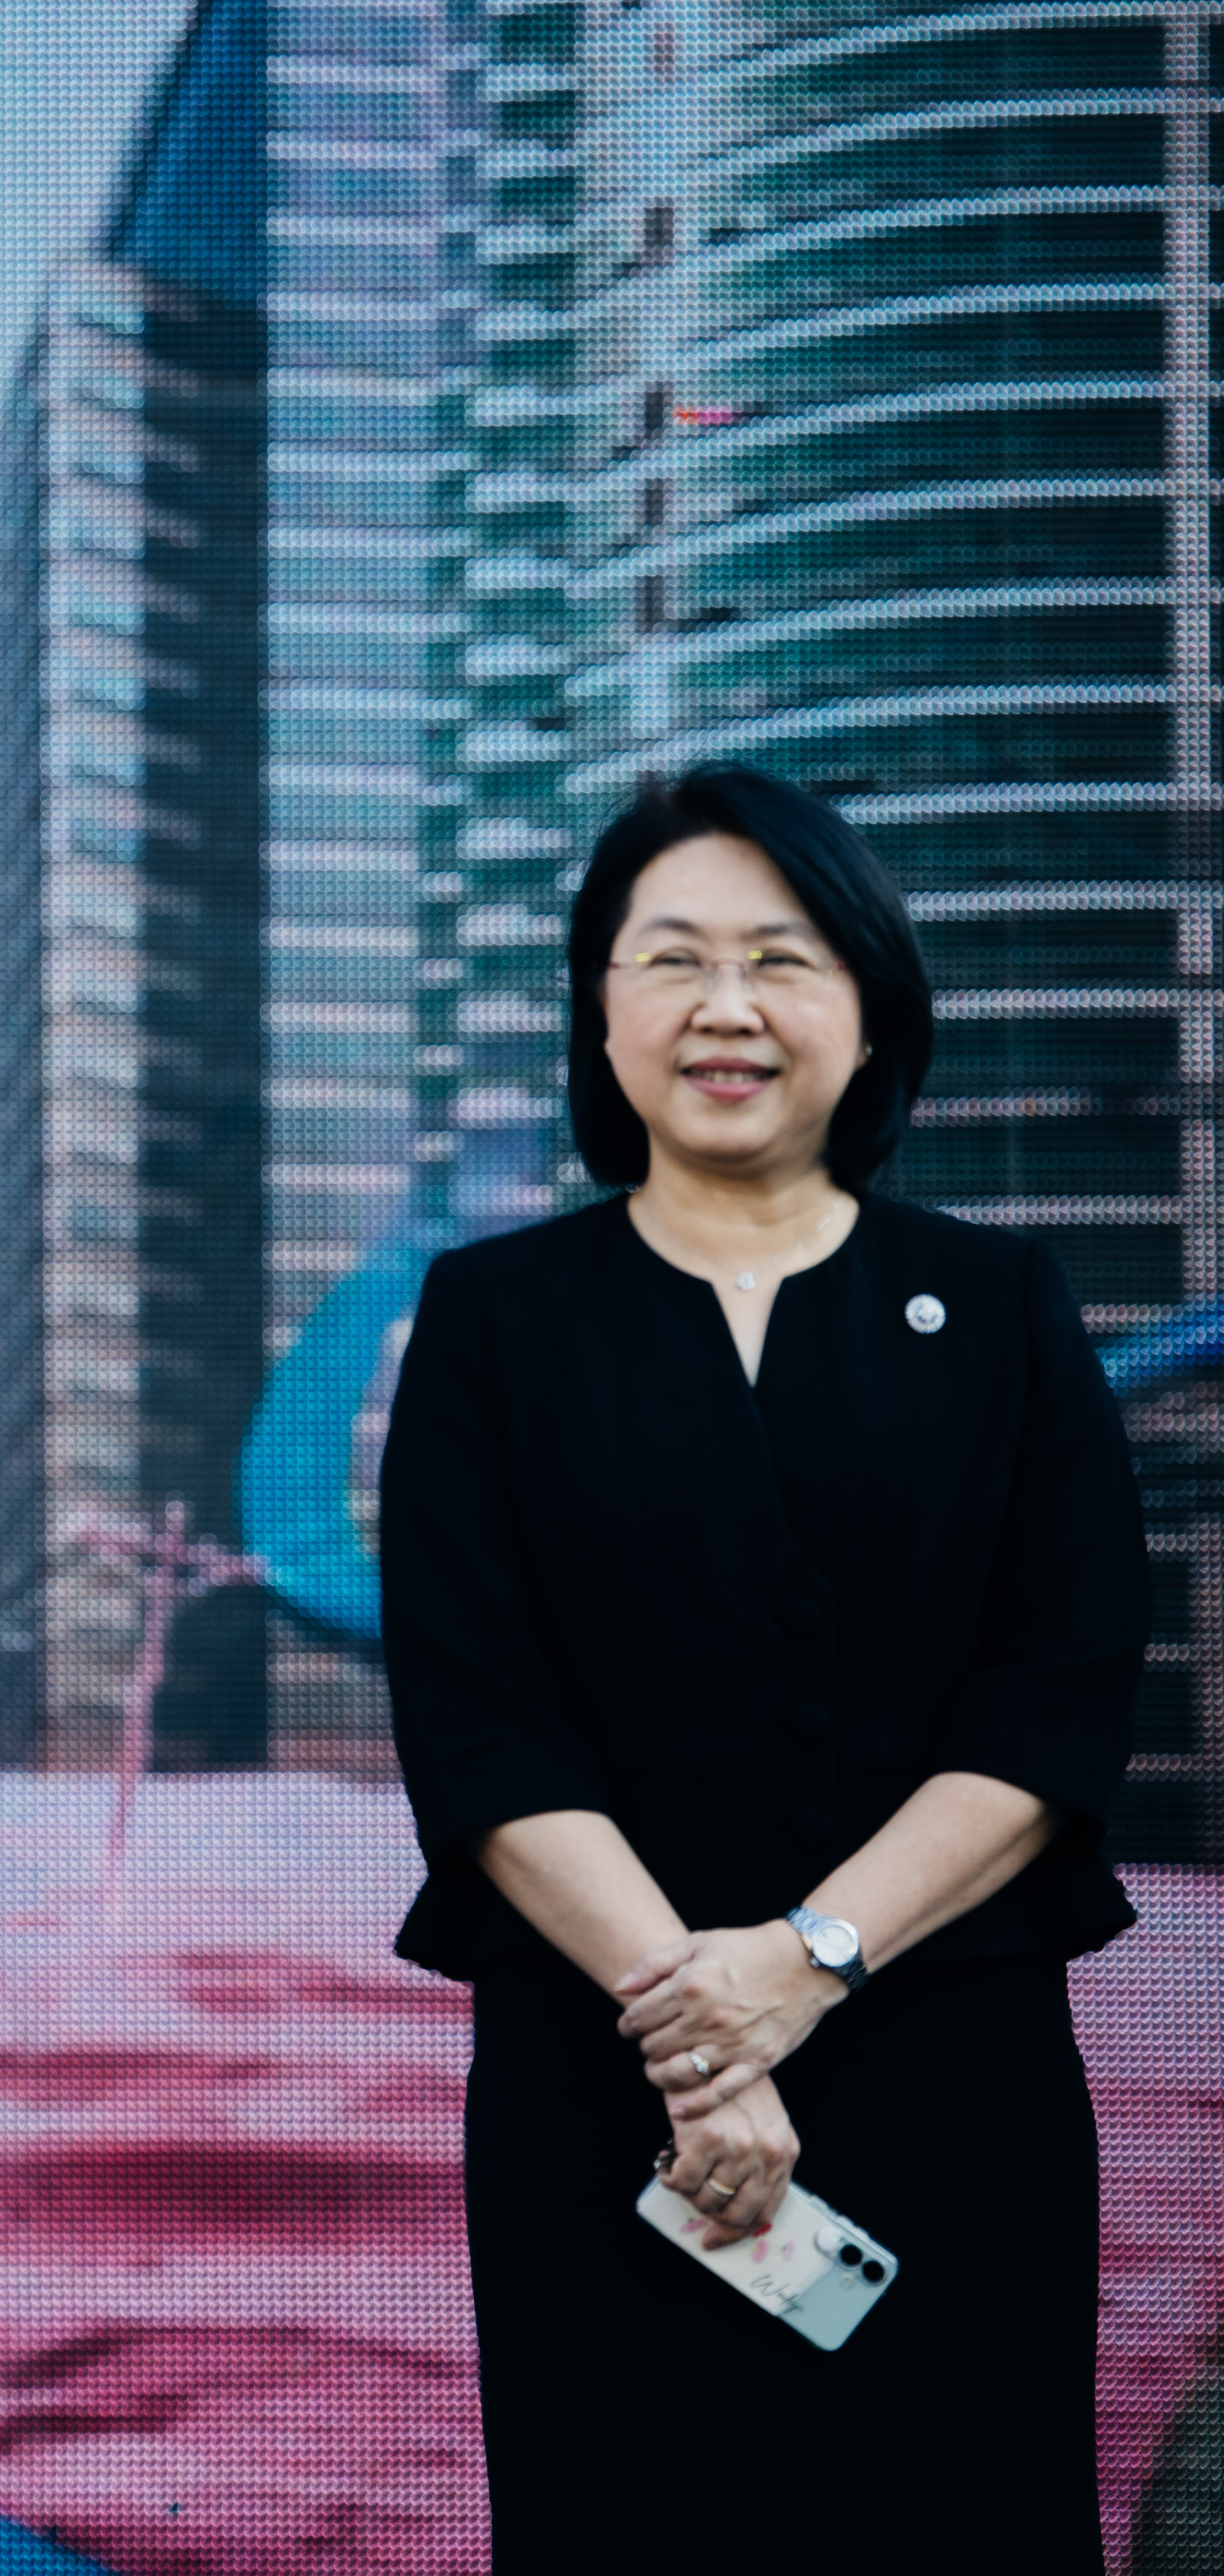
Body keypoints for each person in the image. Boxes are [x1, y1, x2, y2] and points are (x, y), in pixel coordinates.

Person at [380, 765, 1147, 2565]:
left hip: (952, 2066)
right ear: (601, 1014)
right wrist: (705, 2041)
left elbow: (1057, 1694)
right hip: (608, 2084)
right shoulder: (494, 1321)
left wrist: (804, 1968)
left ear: (871, 1010)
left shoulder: (1006, 1308)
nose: (725, 1006)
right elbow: (481, 1721)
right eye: (672, 959)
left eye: (781, 959)